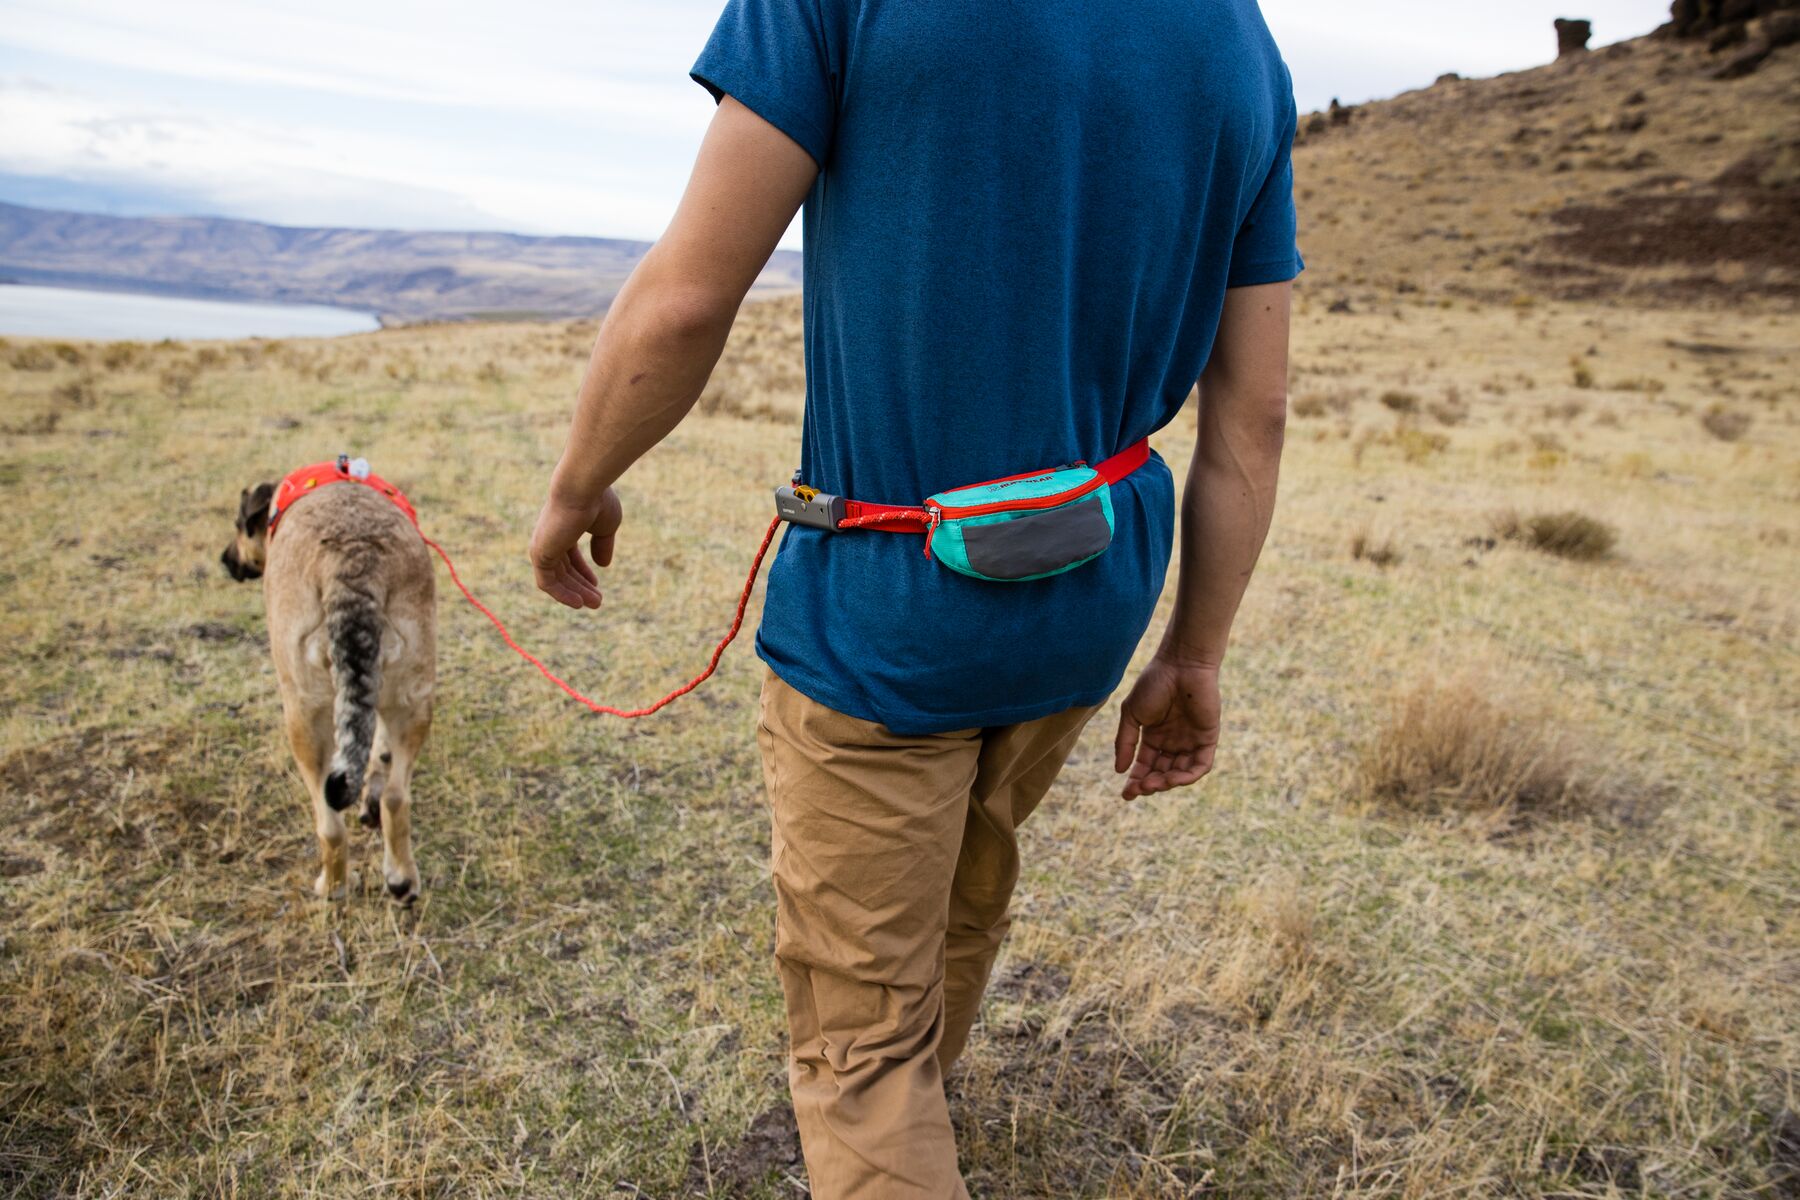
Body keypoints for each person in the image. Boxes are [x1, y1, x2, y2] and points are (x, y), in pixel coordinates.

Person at [530, 0, 1300, 1193]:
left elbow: (687, 296)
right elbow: (1250, 422)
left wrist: (580, 481)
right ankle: (920, 1093)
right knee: (964, 885)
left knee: (861, 1049)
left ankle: (894, 1120)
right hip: (1093, 594)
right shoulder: (1244, 46)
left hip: (892, 610)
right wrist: (1196, 656)